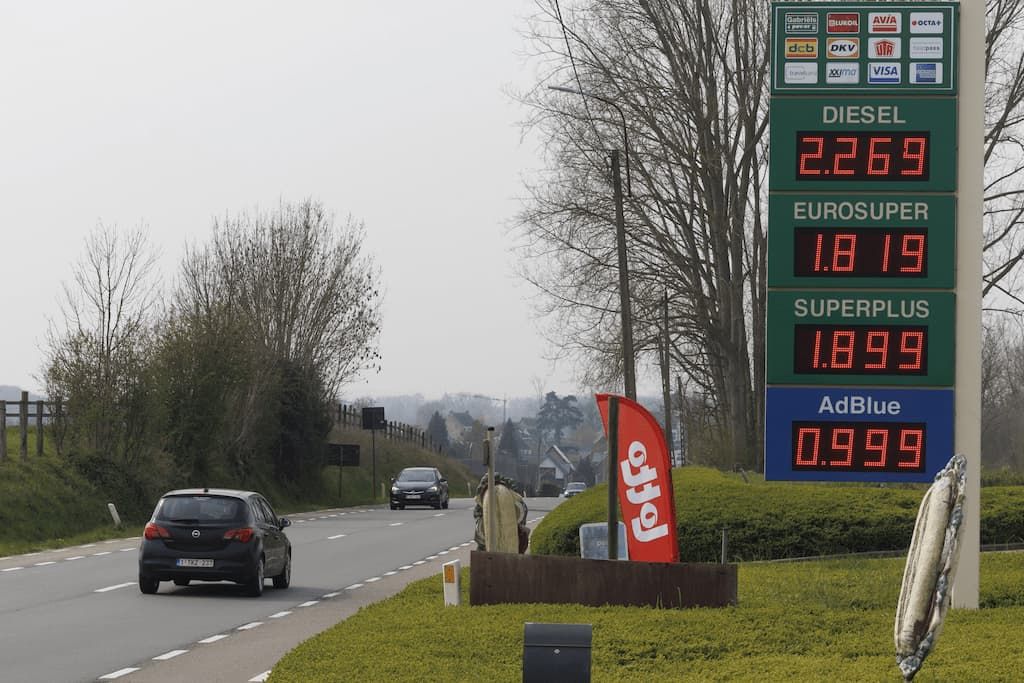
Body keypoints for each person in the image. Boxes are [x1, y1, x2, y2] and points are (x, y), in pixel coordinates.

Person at [473, 473, 529, 553]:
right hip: (510, 549)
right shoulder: (512, 495)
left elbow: (480, 528)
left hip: (492, 550)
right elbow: (522, 514)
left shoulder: (484, 499)